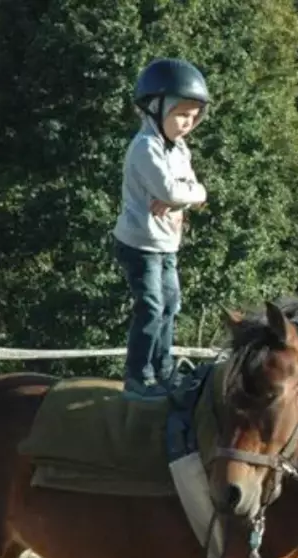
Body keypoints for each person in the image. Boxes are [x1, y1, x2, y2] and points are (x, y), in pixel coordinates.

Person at [112, 57, 210, 398]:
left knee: (172, 305)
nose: (188, 123)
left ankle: (164, 369)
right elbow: (174, 190)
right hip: (141, 243)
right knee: (152, 307)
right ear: (156, 107)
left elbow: (199, 190)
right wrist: (180, 196)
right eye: (181, 114)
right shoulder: (145, 148)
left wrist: (180, 198)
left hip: (167, 243)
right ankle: (139, 375)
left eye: (194, 116)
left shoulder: (179, 149)